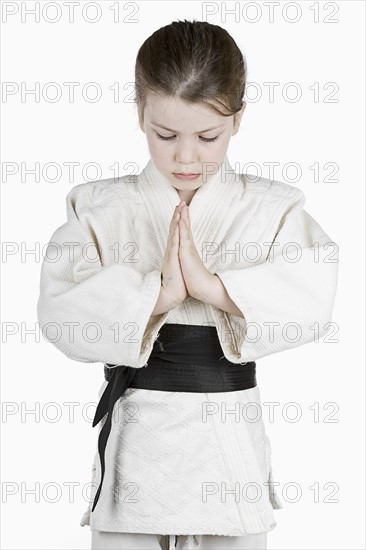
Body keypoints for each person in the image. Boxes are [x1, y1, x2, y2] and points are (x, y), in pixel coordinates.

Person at [37, 19, 339, 550]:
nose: (185, 156)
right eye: (165, 134)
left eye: (207, 137)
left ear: (238, 118)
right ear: (139, 114)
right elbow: (60, 315)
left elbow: (312, 302)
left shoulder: (273, 207)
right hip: (137, 447)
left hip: (228, 445)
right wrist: (159, 295)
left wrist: (214, 287)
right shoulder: (99, 208)